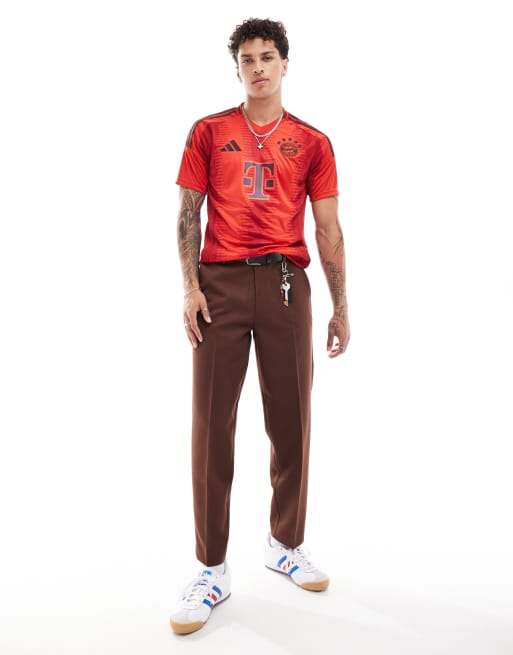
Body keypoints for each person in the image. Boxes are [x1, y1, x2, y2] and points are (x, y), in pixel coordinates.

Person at [170, 17, 350, 635]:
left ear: (284, 64)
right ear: (238, 69)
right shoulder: (208, 131)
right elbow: (188, 213)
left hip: (284, 284)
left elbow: (328, 228)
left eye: (267, 57)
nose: (258, 68)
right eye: (247, 59)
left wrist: (341, 305)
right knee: (211, 425)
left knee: (291, 418)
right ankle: (211, 568)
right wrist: (190, 287)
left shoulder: (313, 142)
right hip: (219, 285)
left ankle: (285, 544)